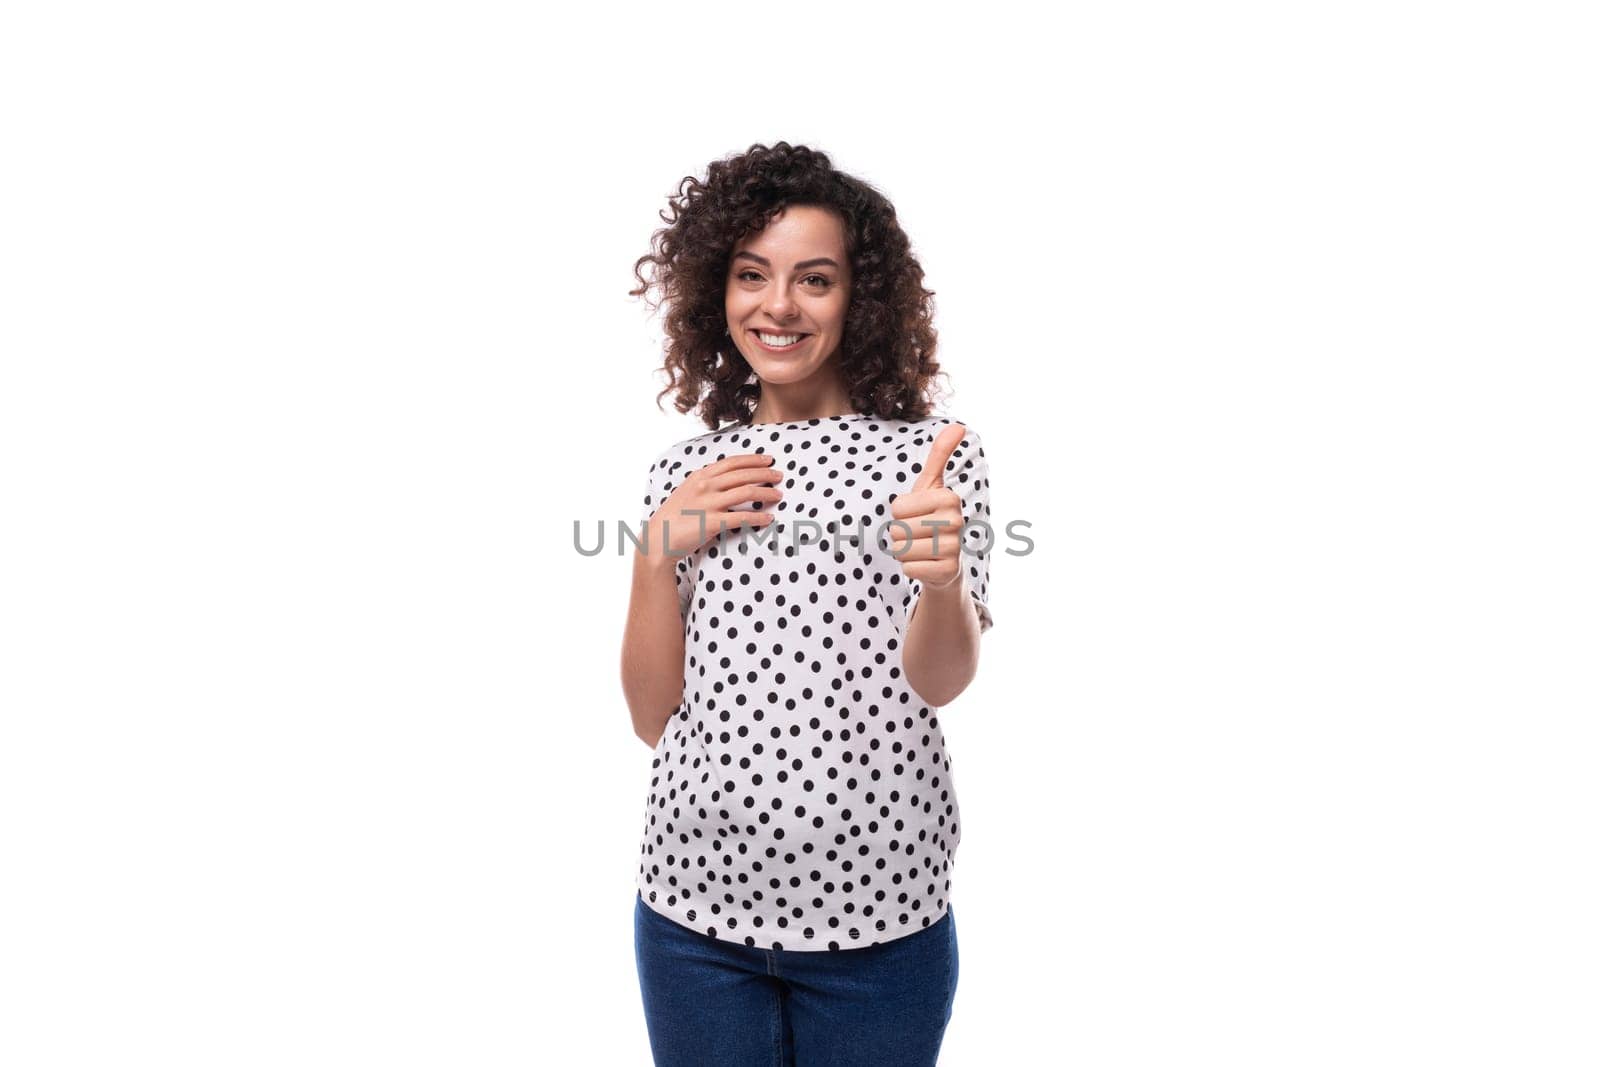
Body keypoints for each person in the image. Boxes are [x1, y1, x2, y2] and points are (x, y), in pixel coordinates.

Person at [620, 141, 994, 1067]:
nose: (777, 305)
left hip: (882, 919)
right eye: (752, 275)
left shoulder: (934, 460)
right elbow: (648, 715)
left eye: (814, 279)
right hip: (692, 917)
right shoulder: (682, 470)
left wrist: (941, 579)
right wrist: (652, 555)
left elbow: (941, 682)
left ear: (859, 298)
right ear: (719, 288)